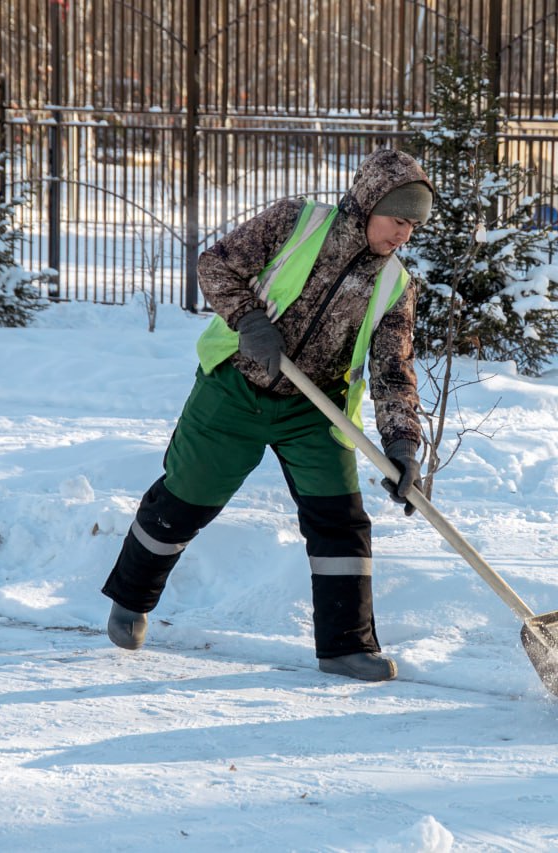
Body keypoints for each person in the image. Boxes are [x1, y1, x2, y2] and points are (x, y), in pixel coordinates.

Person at [100, 148, 435, 682]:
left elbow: (394, 369)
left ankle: (347, 647)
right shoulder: (295, 222)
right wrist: (250, 321)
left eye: (414, 226)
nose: (404, 235)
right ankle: (131, 599)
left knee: (341, 522)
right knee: (186, 501)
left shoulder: (395, 285)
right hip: (236, 388)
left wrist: (403, 445)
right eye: (398, 220)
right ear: (370, 203)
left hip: (315, 408)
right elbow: (216, 265)